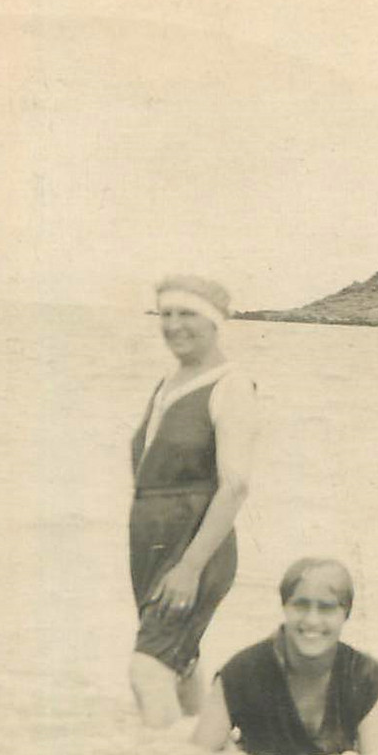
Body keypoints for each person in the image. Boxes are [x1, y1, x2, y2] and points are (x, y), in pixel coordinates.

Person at [128, 274, 257, 726]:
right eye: (166, 314)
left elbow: (236, 485)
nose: (174, 325)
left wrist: (189, 566)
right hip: (153, 546)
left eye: (188, 314)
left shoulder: (231, 386)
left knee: (148, 668)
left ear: (215, 322)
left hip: (194, 547)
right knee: (178, 662)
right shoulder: (169, 382)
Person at [192, 558, 378, 755]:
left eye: (326, 608)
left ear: (346, 614)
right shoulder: (241, 672)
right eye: (301, 605)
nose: (312, 620)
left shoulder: (369, 678)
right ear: (285, 607)